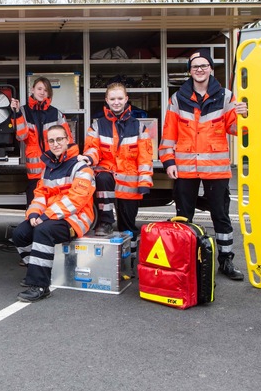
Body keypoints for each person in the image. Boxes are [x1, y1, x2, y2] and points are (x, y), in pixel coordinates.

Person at [159, 48, 248, 280]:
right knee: (183, 216)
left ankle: (226, 262)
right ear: (190, 71)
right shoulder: (177, 99)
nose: (199, 69)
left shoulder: (226, 97)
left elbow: (236, 130)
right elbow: (168, 134)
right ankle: (185, 261)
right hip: (185, 167)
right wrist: (168, 161)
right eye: (195, 66)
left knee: (221, 215)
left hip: (216, 168)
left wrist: (245, 116)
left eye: (203, 65)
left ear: (210, 68)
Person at [10, 125, 96, 302]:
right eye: (51, 141)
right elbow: (40, 195)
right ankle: (35, 269)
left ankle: (40, 285)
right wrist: (33, 214)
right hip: (52, 215)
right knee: (19, 233)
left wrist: (45, 216)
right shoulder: (48, 168)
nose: (55, 144)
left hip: (76, 219)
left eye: (59, 140)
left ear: (67, 140)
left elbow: (76, 200)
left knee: (43, 230)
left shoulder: (81, 168)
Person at [80, 83, 153, 261]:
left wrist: (144, 182)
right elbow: (92, 148)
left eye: (120, 98)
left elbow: (145, 158)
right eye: (112, 99)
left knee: (128, 226)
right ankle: (105, 222)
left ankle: (130, 260)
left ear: (127, 99)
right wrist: (88, 159)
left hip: (130, 184)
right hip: (108, 177)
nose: (116, 102)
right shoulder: (98, 126)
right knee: (103, 177)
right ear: (106, 101)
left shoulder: (139, 127)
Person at [10, 77, 72, 206]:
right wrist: (16, 113)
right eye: (39, 88)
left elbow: (68, 141)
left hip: (55, 168)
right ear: (32, 89)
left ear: (49, 93)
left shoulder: (56, 113)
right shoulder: (22, 111)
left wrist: (71, 164)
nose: (42, 92)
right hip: (35, 171)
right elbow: (21, 136)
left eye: (46, 90)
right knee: (34, 205)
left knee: (53, 204)